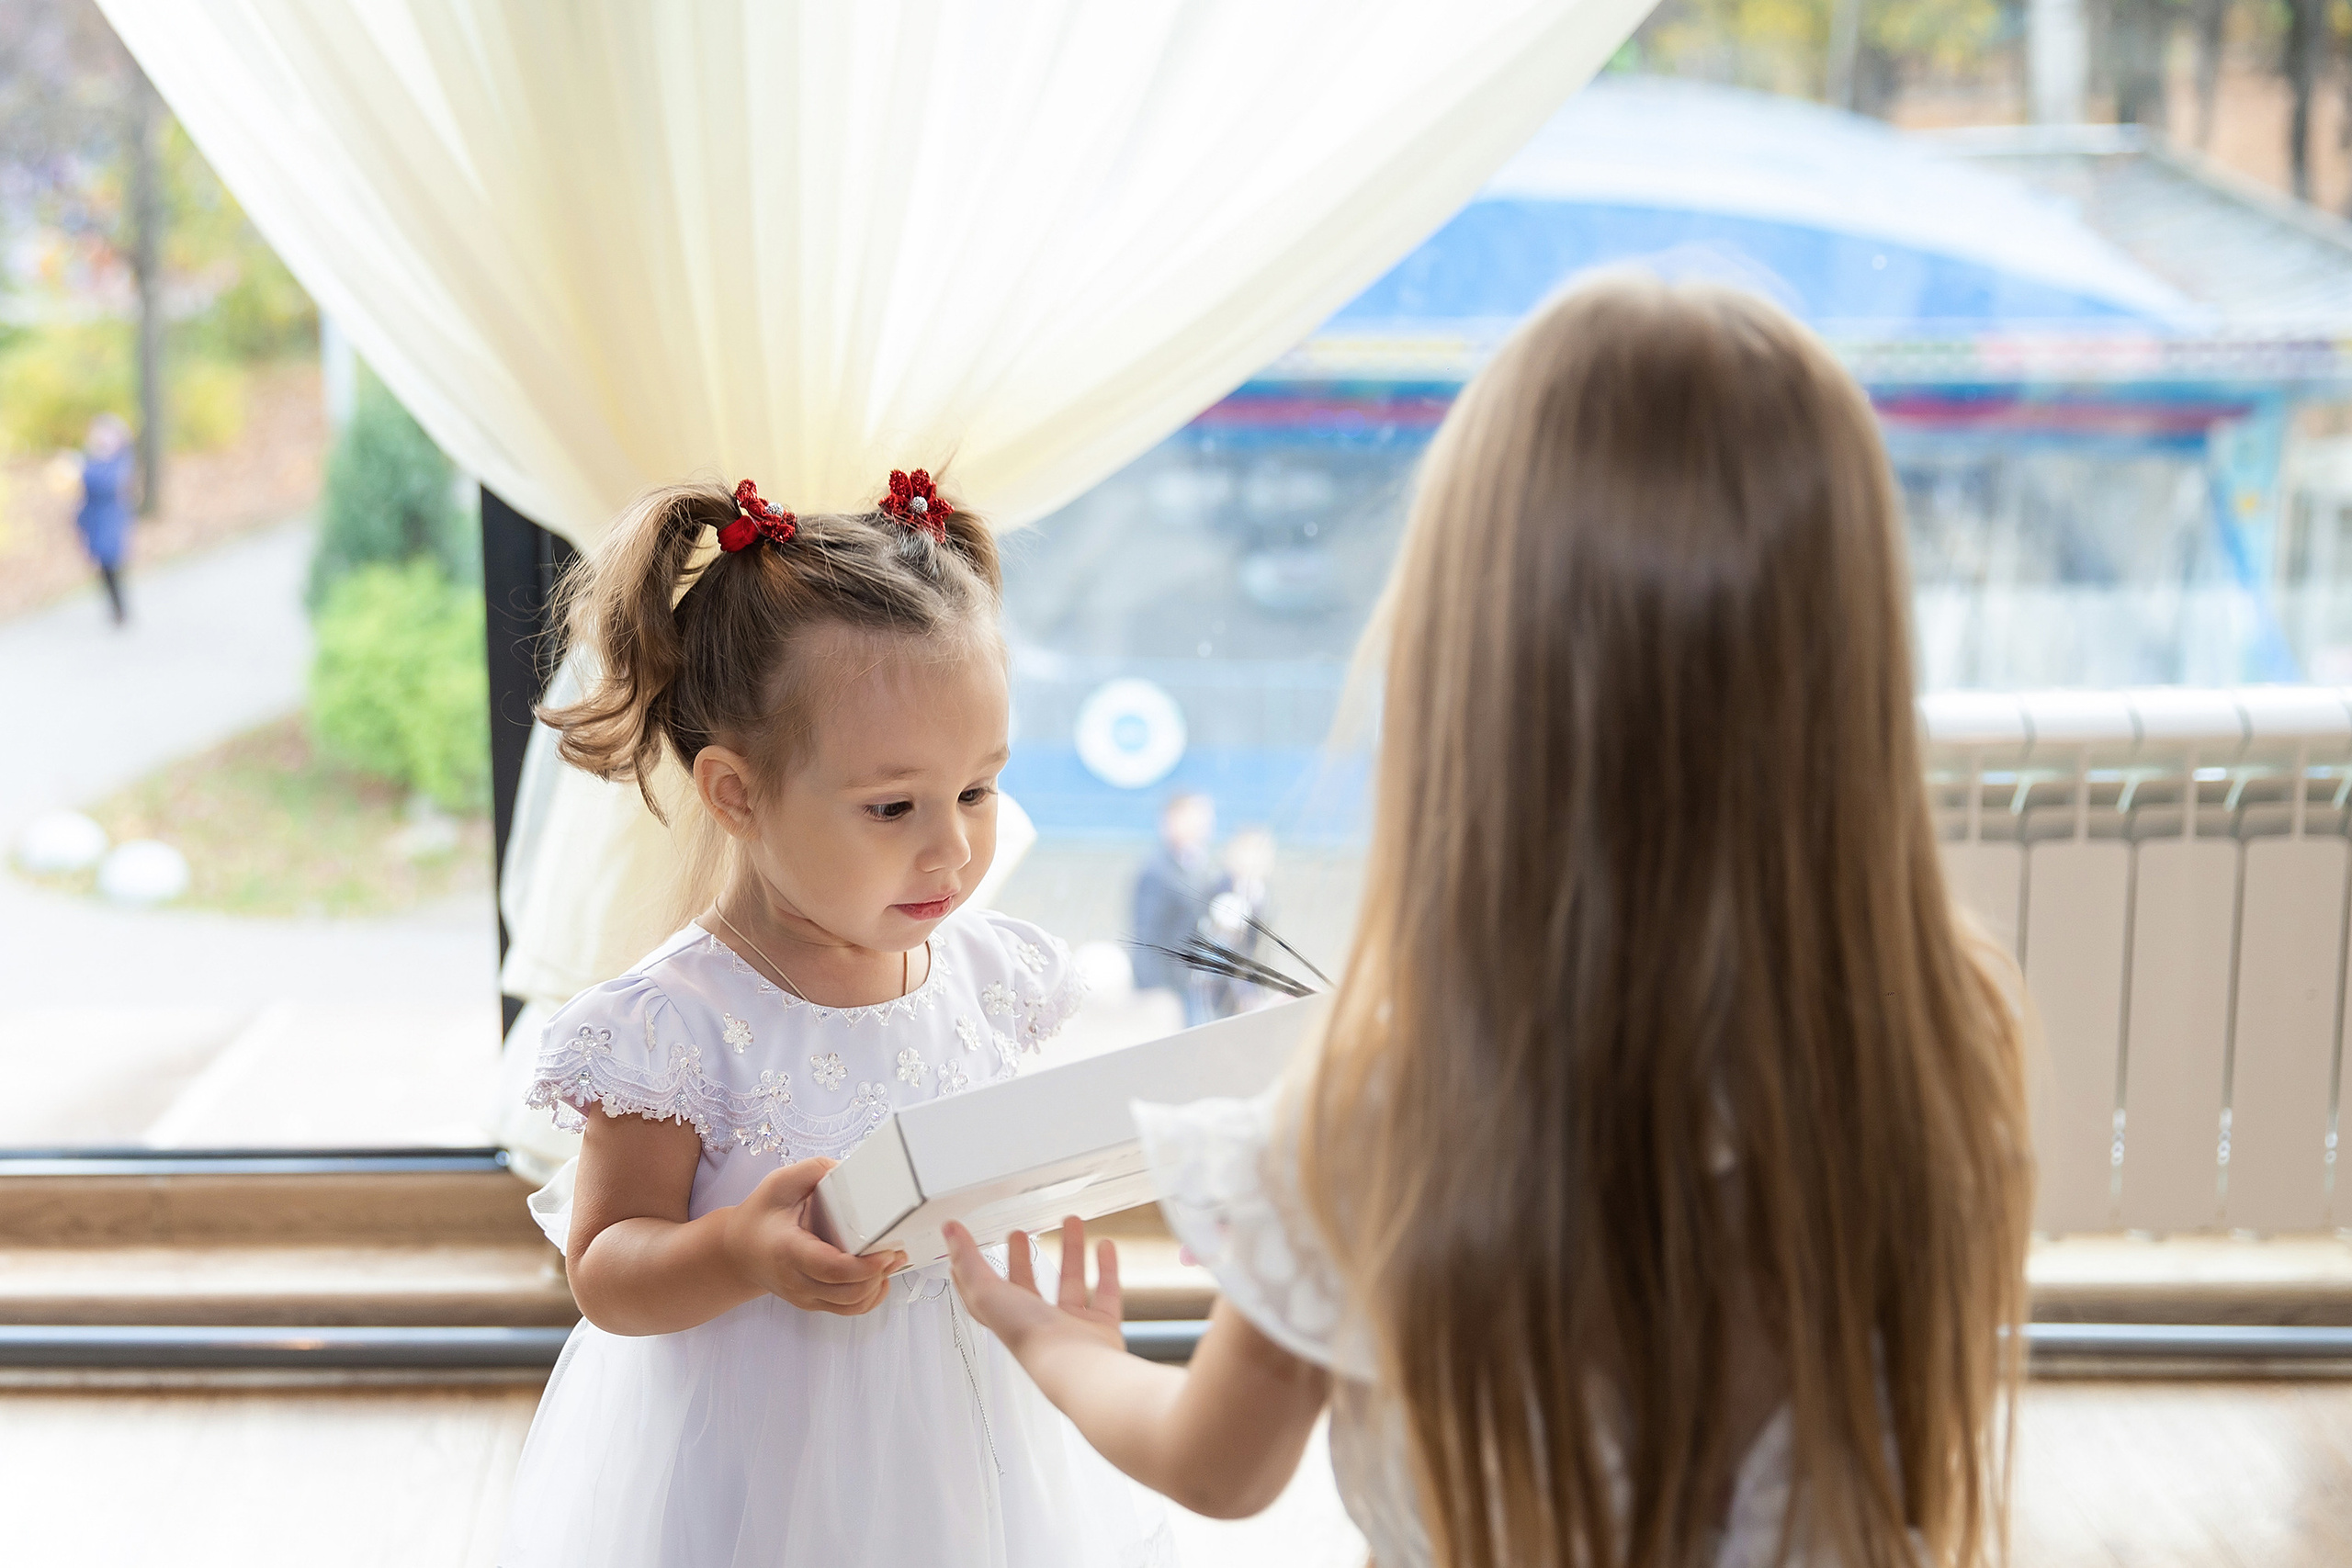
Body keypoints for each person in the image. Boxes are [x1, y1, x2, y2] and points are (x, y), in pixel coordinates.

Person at [949, 277, 2034, 1568]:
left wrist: (1056, 1341)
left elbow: (1218, 1462)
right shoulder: (1942, 1038)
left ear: (1465, 680)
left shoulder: (1383, 1113)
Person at [499, 474, 1170, 1568]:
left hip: (968, 1429)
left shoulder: (990, 975)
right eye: (892, 807)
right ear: (736, 794)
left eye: (977, 791)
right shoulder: (679, 1024)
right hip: (764, 1457)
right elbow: (606, 1270)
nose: (949, 849)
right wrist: (739, 1249)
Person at [1129, 791, 1216, 1024]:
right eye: (1194, 818)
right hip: (1171, 989)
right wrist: (1155, 991)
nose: (1203, 825)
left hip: (1195, 984)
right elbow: (1147, 935)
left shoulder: (1200, 865)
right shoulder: (1157, 872)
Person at [75, 413, 135, 626]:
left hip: (111, 522)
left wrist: (83, 472)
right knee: (102, 567)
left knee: (112, 564)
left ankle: (120, 610)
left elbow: (106, 485)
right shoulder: (92, 459)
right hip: (94, 522)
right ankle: (116, 609)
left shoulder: (121, 461)